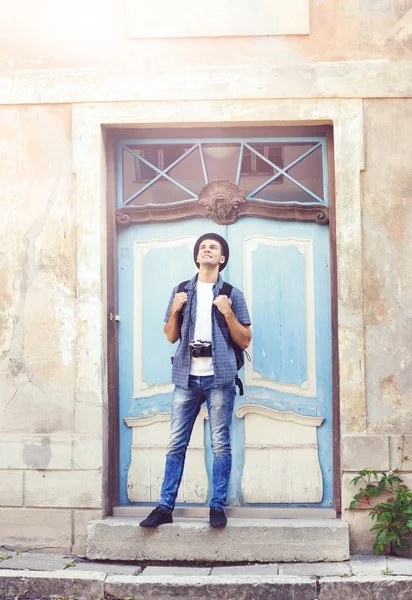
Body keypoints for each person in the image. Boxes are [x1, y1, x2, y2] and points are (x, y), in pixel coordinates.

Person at [139, 233, 251, 528]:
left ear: (222, 259)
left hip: (220, 377)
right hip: (186, 377)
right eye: (203, 246)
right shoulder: (181, 291)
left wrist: (227, 313)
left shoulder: (231, 293)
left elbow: (246, 339)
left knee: (220, 444)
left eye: (213, 247)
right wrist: (175, 309)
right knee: (176, 443)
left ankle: (217, 506)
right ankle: (165, 508)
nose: (206, 249)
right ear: (197, 256)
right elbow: (170, 335)